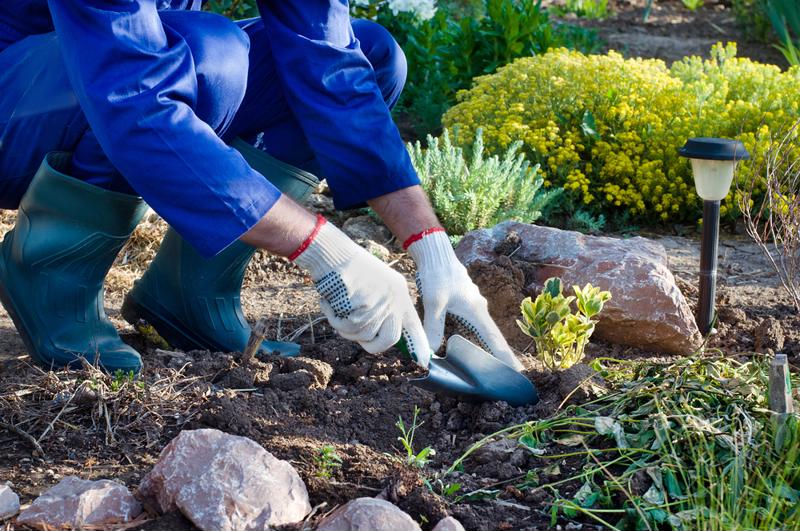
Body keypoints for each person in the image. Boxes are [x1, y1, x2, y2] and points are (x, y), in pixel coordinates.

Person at [0, 0, 521, 375]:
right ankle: (52, 275)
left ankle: (188, 296)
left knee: (371, 54)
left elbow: (328, 61)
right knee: (209, 56)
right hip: (18, 103)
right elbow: (133, 97)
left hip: (111, 78)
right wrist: (324, 251)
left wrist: (430, 248)